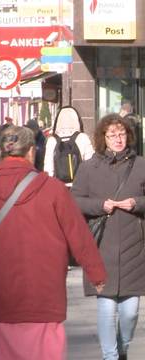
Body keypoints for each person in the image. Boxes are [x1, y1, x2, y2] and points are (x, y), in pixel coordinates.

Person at [0, 125, 107, 360]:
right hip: (44, 296)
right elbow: (79, 235)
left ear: (0, 153)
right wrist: (97, 274)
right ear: (31, 152)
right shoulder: (54, 190)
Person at [71, 114, 145, 360]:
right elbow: (75, 201)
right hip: (101, 245)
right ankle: (110, 356)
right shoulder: (88, 167)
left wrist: (137, 203)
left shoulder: (141, 164)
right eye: (112, 135)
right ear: (103, 138)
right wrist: (99, 205)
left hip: (135, 247)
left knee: (131, 312)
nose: (118, 139)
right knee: (106, 306)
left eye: (122, 134)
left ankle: (122, 348)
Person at [44, 106, 94, 186]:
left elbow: (48, 168)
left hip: (59, 186)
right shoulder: (82, 137)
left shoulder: (52, 140)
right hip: (79, 186)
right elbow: (91, 165)